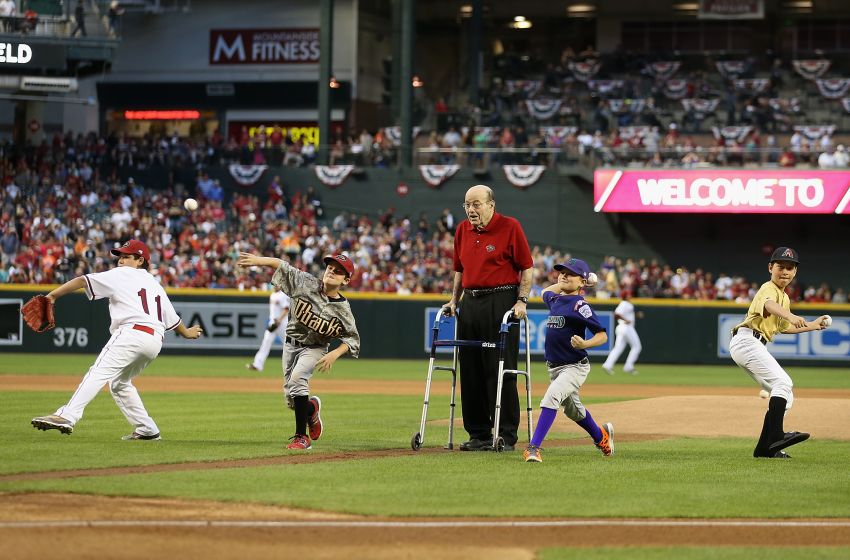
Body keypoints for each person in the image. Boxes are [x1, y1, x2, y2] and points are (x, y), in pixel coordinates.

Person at [31, 240, 204, 439]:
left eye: (126, 256)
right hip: (154, 341)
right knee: (119, 383)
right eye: (120, 256)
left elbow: (82, 281)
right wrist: (187, 332)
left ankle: (67, 416)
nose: (121, 260)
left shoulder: (121, 274)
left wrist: (52, 296)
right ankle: (147, 429)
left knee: (98, 372)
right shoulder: (155, 284)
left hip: (131, 333)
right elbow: (172, 319)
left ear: (140, 260)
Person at [236, 252, 360, 450]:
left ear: (346, 280)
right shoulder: (305, 283)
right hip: (290, 344)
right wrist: (259, 261)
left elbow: (352, 339)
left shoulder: (343, 309)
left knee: (298, 380)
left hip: (316, 348)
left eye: (338, 272)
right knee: (293, 402)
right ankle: (311, 409)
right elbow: (282, 265)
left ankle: (301, 437)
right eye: (330, 268)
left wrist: (334, 354)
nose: (331, 272)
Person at [442, 185, 533, 452]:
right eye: (467, 204)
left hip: (501, 300)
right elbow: (459, 269)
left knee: (500, 369)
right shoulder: (462, 230)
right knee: (470, 370)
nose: (471, 210)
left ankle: (506, 434)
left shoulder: (510, 226)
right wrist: (454, 299)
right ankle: (479, 433)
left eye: (476, 204)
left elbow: (526, 268)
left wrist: (522, 300)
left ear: (491, 204)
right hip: (470, 301)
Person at [729, 247, 831, 459]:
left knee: (786, 395)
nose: (785, 271)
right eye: (780, 267)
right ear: (770, 268)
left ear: (795, 272)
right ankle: (776, 435)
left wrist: (812, 325)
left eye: (790, 268)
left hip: (751, 343)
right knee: (783, 383)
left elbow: (784, 327)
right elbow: (769, 305)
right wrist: (792, 316)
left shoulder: (784, 298)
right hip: (748, 341)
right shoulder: (769, 289)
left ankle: (765, 448)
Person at [523, 258, 612, 463]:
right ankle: (601, 437)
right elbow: (546, 291)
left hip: (574, 366)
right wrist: (579, 280)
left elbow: (602, 335)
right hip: (555, 368)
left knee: (552, 397)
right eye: (561, 272)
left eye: (570, 273)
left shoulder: (580, 305)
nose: (563, 275)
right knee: (574, 410)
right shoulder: (555, 300)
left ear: (581, 282)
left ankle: (533, 447)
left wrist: (585, 344)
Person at [246, 288, 290, 372]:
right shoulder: (273, 294)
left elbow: (286, 309)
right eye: (272, 284)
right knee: (266, 342)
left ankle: (295, 364)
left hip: (282, 323)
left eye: (275, 284)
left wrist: (278, 321)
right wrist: (273, 322)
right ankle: (257, 365)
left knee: (288, 345)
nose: (274, 286)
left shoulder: (283, 294)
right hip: (272, 322)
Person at [601, 292, 642, 375]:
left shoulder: (626, 304)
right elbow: (616, 314)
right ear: (626, 296)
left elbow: (625, 314)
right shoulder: (624, 303)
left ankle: (607, 365)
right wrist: (625, 320)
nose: (630, 296)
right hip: (626, 328)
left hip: (622, 328)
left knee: (618, 348)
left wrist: (636, 315)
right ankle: (628, 366)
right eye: (628, 295)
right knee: (637, 347)